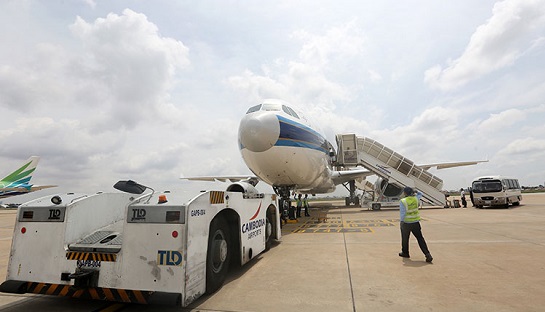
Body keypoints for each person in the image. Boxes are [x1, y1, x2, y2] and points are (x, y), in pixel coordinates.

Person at [399, 186, 433, 263]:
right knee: (420, 238)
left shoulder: (403, 201)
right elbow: (421, 194)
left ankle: (405, 253)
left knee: (405, 239)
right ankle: (427, 254)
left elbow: (403, 214)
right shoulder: (416, 199)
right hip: (415, 223)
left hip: (406, 223)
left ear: (404, 193)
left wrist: (401, 222)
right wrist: (416, 191)